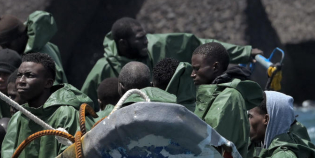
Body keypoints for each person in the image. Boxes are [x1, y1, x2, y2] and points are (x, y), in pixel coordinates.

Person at [80, 17, 261, 107]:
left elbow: (201, 46)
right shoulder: (103, 68)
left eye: (145, 36)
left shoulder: (158, 44)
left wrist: (244, 52)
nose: (146, 41)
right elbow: (84, 104)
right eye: (139, 39)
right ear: (123, 43)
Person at [2, 53, 94, 158]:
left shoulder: (65, 113)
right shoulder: (18, 118)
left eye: (29, 75)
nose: (21, 80)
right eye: (19, 75)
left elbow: (73, 153)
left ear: (48, 83)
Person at [192, 42, 264, 158]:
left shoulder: (229, 97)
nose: (192, 74)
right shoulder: (207, 95)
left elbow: (214, 147)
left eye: (196, 69)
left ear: (215, 67)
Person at [0, 11, 67, 84]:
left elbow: (53, 90)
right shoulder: (40, 45)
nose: (6, 49)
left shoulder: (38, 59)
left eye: (8, 44)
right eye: (2, 46)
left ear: (20, 36)